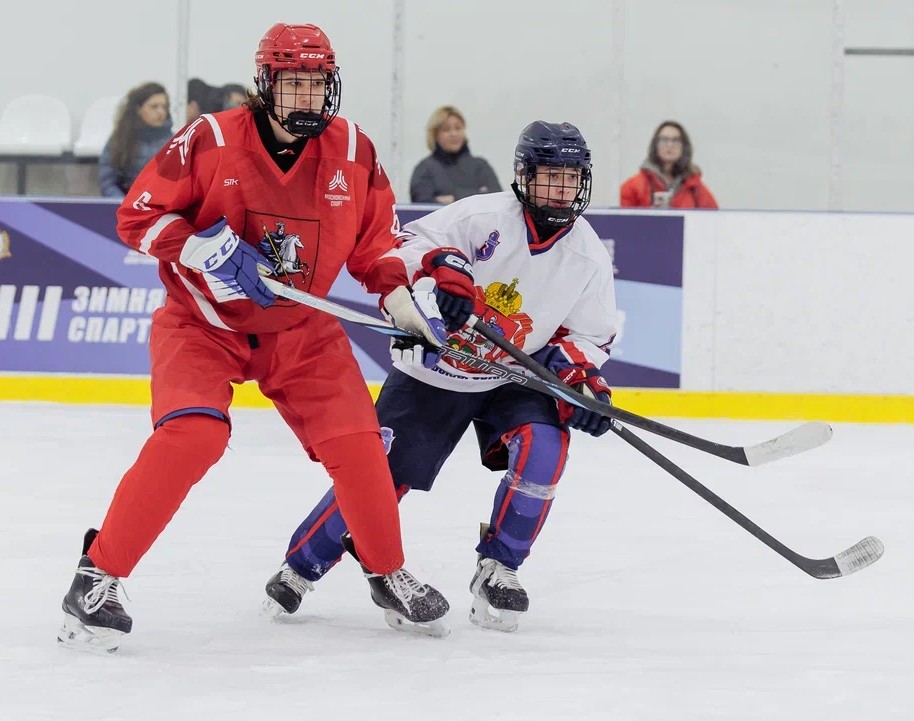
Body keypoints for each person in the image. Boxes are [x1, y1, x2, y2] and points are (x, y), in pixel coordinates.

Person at [57, 22, 451, 653]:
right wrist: (199, 245)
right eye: (292, 83)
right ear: (266, 85)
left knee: (360, 448)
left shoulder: (354, 150)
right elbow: (136, 216)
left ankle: (386, 570)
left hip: (303, 329)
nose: (305, 97)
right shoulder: (210, 138)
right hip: (202, 323)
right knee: (194, 436)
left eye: (316, 83)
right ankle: (96, 576)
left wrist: (398, 297)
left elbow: (376, 242)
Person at [265, 121, 618, 633]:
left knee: (546, 446)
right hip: (438, 368)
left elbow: (590, 335)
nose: (561, 190)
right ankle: (301, 566)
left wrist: (580, 383)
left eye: (571, 178)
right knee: (378, 477)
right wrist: (445, 272)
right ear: (524, 176)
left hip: (510, 375)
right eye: (549, 177)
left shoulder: (586, 255)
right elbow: (407, 245)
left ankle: (500, 568)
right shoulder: (482, 215)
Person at [409, 105, 502, 204]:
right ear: (435, 135)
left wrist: (453, 198)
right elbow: (421, 203)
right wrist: (477, 194)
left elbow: (496, 199)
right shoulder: (425, 169)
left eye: (458, 128)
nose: (453, 134)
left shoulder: (480, 166)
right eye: (446, 130)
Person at [619, 120, 718, 209]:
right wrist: (651, 213)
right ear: (655, 146)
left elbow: (712, 221)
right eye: (664, 140)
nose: (670, 145)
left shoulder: (695, 187)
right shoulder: (632, 187)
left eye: (676, 140)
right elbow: (625, 225)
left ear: (684, 147)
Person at [98, 82, 173, 198]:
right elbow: (108, 181)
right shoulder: (120, 140)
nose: (161, 112)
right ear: (139, 109)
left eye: (164, 107)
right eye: (154, 106)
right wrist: (123, 204)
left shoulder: (175, 142)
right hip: (126, 208)